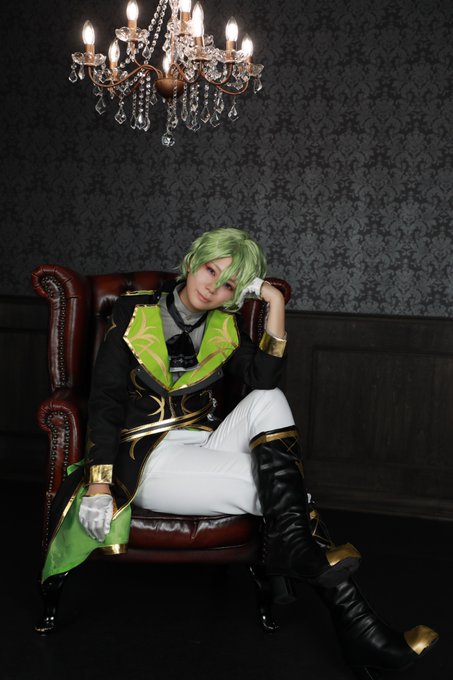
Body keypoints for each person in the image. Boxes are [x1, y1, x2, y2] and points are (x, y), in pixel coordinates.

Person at [37, 227, 438, 678]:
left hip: (201, 444)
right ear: (193, 263)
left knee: (268, 399)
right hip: (147, 457)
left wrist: (274, 301)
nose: (213, 287)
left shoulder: (224, 326)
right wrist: (99, 483)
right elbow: (106, 403)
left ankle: (320, 579)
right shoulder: (133, 313)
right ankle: (360, 628)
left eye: (229, 284)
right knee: (283, 492)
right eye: (210, 270)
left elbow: (264, 379)